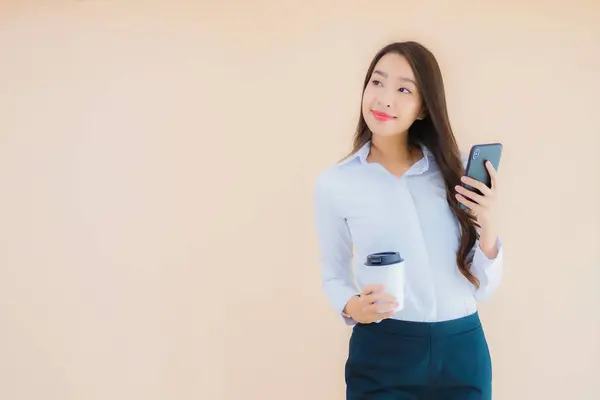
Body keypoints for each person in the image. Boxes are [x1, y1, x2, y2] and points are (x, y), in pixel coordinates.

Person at [313, 41, 504, 400]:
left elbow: (483, 286)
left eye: (404, 89)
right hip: (384, 350)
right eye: (377, 83)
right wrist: (354, 307)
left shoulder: (455, 171)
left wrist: (488, 222)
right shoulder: (336, 183)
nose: (385, 99)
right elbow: (333, 273)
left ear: (422, 108)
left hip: (462, 352)